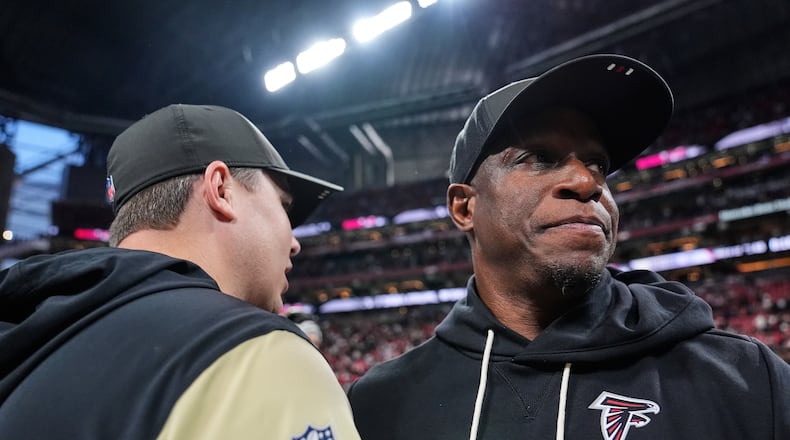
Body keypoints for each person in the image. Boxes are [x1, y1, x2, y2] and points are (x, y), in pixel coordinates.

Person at [347, 54, 790, 440]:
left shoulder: (746, 380)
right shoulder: (379, 406)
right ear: (464, 207)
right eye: (538, 158)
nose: (586, 182)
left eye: (598, 164)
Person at [0, 104, 361, 439]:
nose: (295, 242)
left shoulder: (31, 337)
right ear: (221, 190)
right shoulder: (262, 354)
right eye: (284, 207)